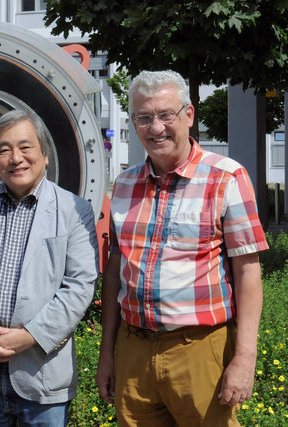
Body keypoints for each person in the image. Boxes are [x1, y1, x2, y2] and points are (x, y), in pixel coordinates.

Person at [96, 70, 268, 426]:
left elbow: (248, 271)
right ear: (133, 123)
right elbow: (115, 271)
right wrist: (107, 355)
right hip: (134, 350)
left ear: (189, 115)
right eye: (144, 118)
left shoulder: (226, 178)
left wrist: (245, 356)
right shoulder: (124, 184)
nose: (155, 128)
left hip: (200, 349)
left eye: (165, 115)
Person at [0, 109, 99, 426]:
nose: (15, 158)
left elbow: (79, 287)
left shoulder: (73, 210)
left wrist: (30, 336)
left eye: (25, 147)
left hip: (41, 374)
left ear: (44, 154)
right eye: (4, 149)